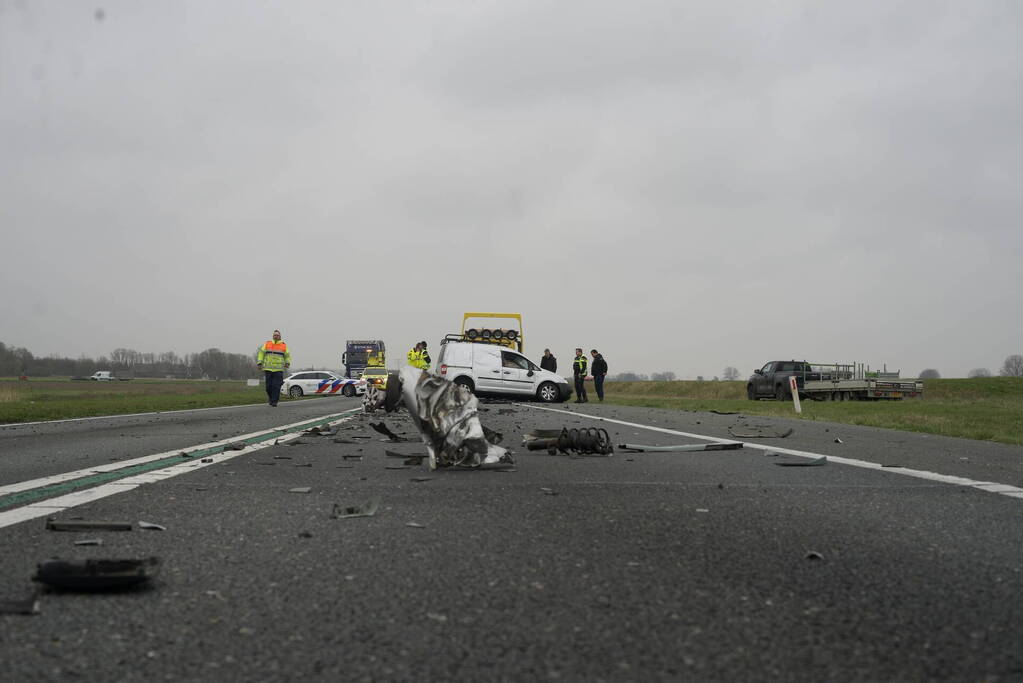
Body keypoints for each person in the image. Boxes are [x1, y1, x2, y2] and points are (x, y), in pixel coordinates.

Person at [256, 329, 290, 407]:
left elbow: (287, 355)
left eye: (277, 335)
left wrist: (287, 363)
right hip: (268, 369)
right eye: (275, 335)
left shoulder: (283, 345)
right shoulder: (267, 344)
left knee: (276, 386)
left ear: (280, 337)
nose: (276, 336)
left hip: (278, 369)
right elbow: (261, 353)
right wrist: (259, 363)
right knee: (268, 387)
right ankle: (271, 398)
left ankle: (274, 401)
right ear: (273, 336)